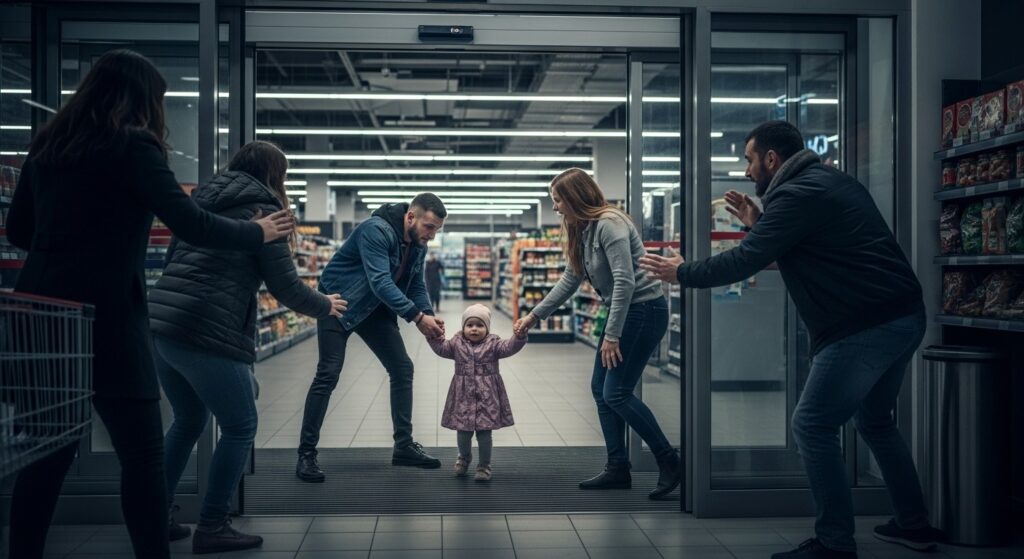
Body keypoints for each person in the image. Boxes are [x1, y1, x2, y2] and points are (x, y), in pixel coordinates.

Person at [5, 50, 293, 559]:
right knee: (140, 453)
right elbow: (189, 222)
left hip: (44, 313)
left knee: (48, 450)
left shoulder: (49, 145)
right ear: (143, 99)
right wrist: (256, 230)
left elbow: (19, 230)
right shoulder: (134, 146)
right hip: (109, 311)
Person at [640, 120, 944, 559]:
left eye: (748, 160)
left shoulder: (797, 194)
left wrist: (681, 272)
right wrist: (760, 222)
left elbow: (745, 260)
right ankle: (913, 525)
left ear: (771, 158)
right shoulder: (825, 182)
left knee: (812, 425)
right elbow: (808, 246)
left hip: (863, 325)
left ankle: (835, 543)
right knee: (875, 422)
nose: (745, 171)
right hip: (901, 315)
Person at [147, 141, 347, 554]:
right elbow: (285, 287)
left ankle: (153, 517)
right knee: (241, 425)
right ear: (277, 176)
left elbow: (171, 262)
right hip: (206, 329)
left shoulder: (201, 200)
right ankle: (213, 524)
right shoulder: (265, 213)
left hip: (163, 324)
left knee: (187, 420)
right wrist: (326, 305)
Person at [513, 168, 681, 500]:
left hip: (643, 311)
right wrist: (534, 315)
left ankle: (670, 460)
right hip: (626, 313)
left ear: (575, 198)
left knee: (616, 393)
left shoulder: (610, 224)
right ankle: (617, 467)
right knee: (600, 389)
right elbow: (569, 280)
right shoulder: (583, 229)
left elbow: (625, 281)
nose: (556, 208)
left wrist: (612, 335)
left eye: (558, 200)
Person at [296, 193, 448, 481]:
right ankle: (306, 453)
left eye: (437, 230)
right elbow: (380, 281)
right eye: (429, 227)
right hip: (338, 304)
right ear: (411, 217)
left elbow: (415, 283)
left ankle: (403, 446)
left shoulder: (418, 244)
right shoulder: (375, 230)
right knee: (328, 373)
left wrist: (427, 313)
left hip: (373, 308)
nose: (432, 235)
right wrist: (416, 317)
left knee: (402, 368)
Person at [428, 303, 526, 482]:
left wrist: (518, 338)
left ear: (487, 328)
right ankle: (464, 457)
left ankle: (484, 465)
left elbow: (509, 348)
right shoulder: (456, 343)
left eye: (480, 325)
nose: (474, 329)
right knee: (463, 431)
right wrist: (433, 337)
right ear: (463, 327)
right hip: (463, 395)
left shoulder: (494, 344)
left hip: (487, 396)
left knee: (484, 432)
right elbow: (441, 348)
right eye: (470, 325)